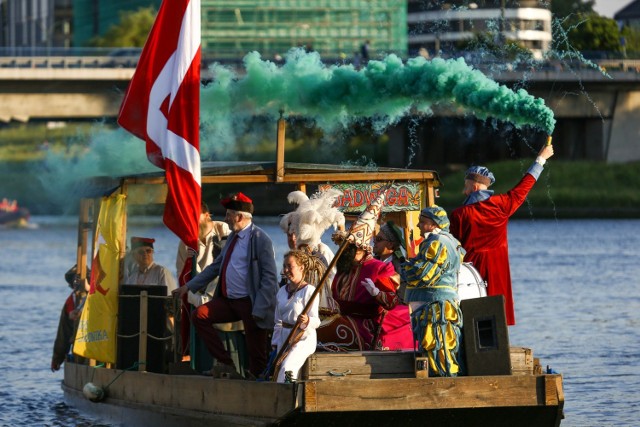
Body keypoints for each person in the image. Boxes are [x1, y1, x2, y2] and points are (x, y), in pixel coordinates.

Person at [173, 192, 278, 379]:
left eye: (229, 214)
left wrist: (260, 308)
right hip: (229, 301)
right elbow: (215, 267)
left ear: (239, 216)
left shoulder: (261, 239)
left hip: (251, 303)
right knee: (200, 316)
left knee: (257, 354)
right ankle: (226, 363)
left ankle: (260, 385)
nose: (226, 218)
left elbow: (269, 279)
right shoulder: (232, 238)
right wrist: (188, 287)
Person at [449, 143, 554, 326]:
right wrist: (541, 159)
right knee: (496, 316)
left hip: (471, 272)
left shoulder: (460, 214)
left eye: (465, 187)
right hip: (498, 270)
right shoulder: (502, 205)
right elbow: (525, 185)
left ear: (474, 187)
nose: (463, 192)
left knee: (472, 317)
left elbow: (452, 248)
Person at [316, 191, 414, 351]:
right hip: (343, 318)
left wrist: (376, 293)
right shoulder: (344, 267)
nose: (343, 250)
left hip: (367, 326)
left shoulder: (381, 267)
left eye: (348, 247)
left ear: (359, 248)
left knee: (327, 331)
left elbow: (391, 301)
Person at [402, 206, 465, 377]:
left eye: (423, 222)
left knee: (437, 344)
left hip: (435, 303)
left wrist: (403, 267)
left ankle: (444, 381)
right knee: (440, 344)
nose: (418, 225)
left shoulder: (437, 242)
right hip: (440, 301)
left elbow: (423, 274)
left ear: (433, 224)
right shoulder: (452, 241)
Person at [279, 189, 344, 312]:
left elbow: (332, 278)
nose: (293, 238)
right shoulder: (290, 257)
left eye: (294, 233)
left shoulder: (322, 250)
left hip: (319, 306)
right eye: (289, 234)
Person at [271, 250, 321, 383]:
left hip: (303, 337)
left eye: (290, 266)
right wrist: (275, 343)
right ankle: (282, 399)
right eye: (284, 266)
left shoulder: (309, 291)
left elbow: (316, 321)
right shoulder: (281, 291)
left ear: (301, 268)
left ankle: (290, 398)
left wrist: (307, 320)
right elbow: (278, 321)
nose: (286, 270)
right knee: (277, 369)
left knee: (288, 368)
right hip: (284, 337)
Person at [176, 201, 230, 306]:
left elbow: (226, 264)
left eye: (194, 215)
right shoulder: (185, 242)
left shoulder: (222, 229)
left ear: (206, 215)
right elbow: (181, 272)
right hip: (196, 294)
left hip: (219, 293)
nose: (190, 219)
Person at [51, 265, 89, 372]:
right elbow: (64, 332)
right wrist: (57, 359)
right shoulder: (70, 302)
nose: (76, 283)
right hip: (80, 351)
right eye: (74, 281)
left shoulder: (96, 295)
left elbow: (63, 333)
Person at [373, 221, 408, 301]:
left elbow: (402, 298)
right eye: (375, 238)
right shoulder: (370, 262)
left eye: (379, 239)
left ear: (390, 245)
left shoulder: (402, 267)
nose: (374, 241)